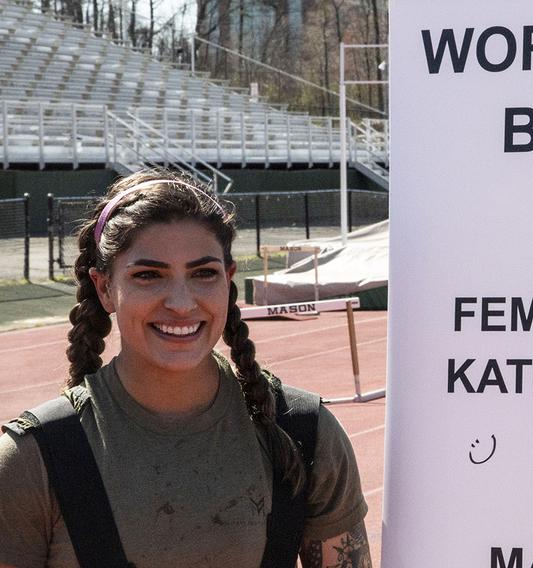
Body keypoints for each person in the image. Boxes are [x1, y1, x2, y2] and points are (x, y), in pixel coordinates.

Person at [0, 171, 371, 568]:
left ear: (228, 281)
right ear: (105, 287)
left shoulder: (303, 432)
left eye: (203, 273)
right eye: (148, 276)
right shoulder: (32, 458)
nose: (181, 302)